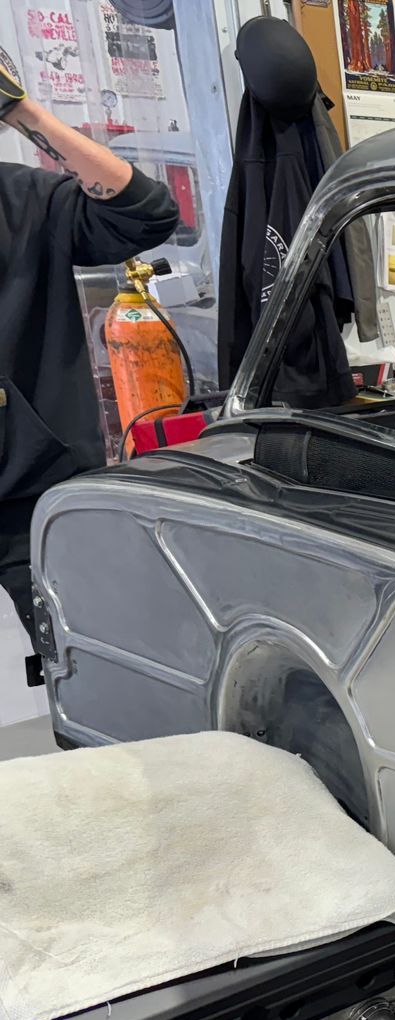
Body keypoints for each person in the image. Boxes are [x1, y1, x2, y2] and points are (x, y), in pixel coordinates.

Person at [0, 61, 180, 636]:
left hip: (36, 493)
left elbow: (146, 213)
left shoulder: (28, 200)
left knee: (81, 654)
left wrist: (21, 108)